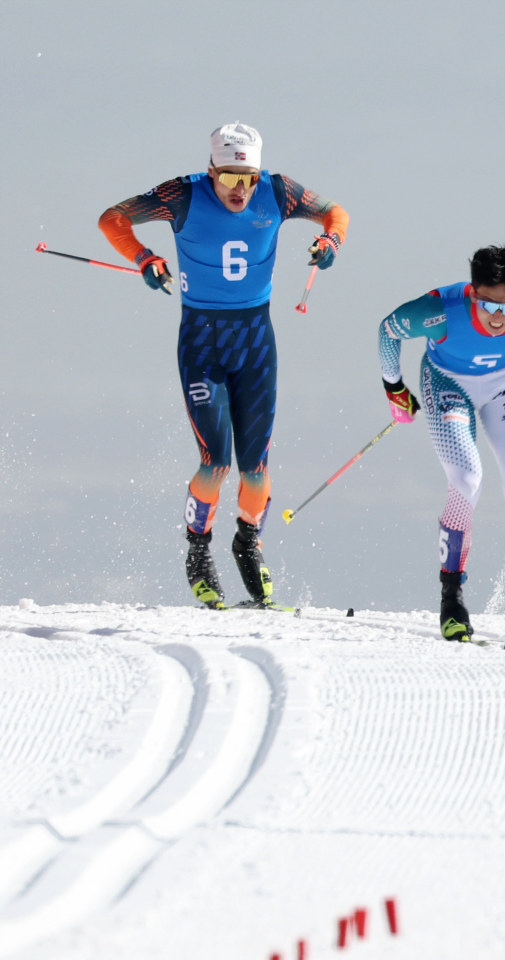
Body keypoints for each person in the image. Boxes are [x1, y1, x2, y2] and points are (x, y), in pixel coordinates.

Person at [98, 122, 348, 610]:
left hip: (255, 341)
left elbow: (335, 212)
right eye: (230, 178)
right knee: (216, 460)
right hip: (202, 342)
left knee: (254, 468)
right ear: (211, 169)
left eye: (248, 178)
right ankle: (197, 549)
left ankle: (248, 541)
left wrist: (331, 242)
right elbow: (112, 218)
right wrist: (144, 257)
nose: (240, 189)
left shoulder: (277, 190)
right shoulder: (182, 195)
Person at [378, 245, 505, 644]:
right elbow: (388, 330)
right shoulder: (439, 310)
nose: (499, 317)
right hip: (447, 383)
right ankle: (452, 600)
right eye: (488, 305)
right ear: (472, 292)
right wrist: (394, 387)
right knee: (467, 480)